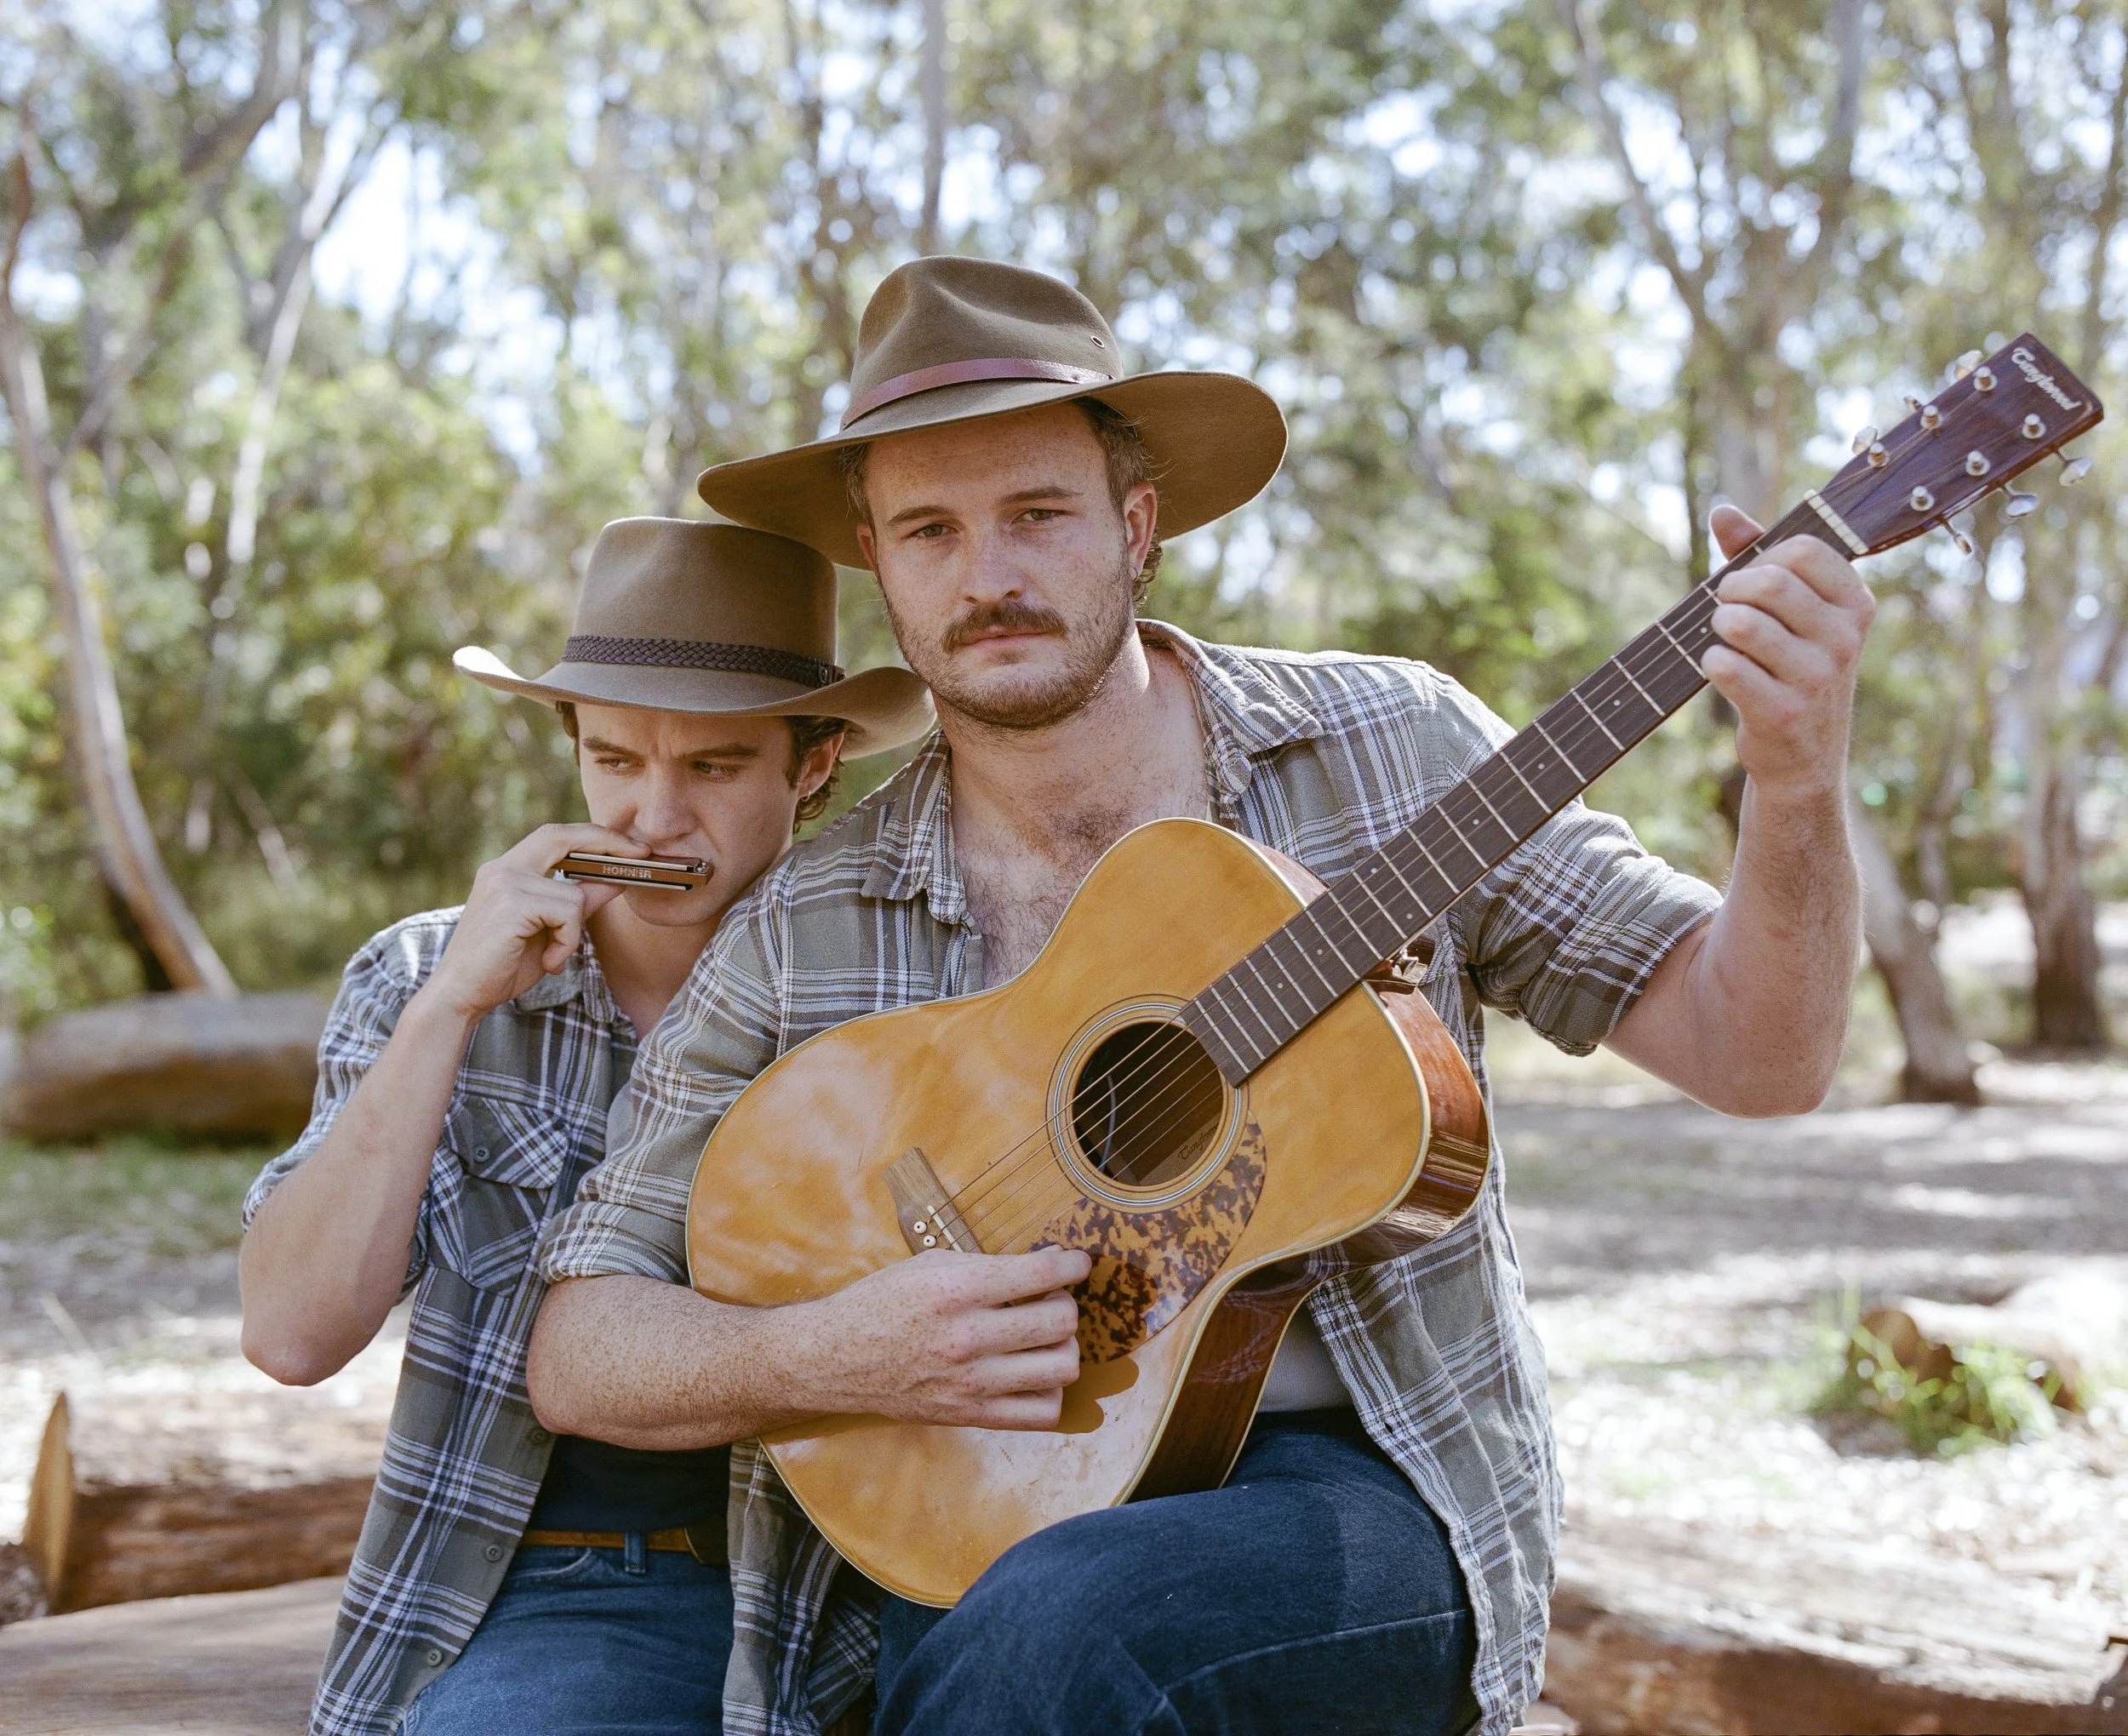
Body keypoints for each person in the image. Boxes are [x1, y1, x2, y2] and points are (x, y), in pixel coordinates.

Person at [527, 258, 1874, 1736]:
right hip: (975, 1509)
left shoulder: (1389, 754)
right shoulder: (813, 916)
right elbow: (582, 1345)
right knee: (1023, 1621)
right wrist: (840, 1354)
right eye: (931, 530)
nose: (987, 578)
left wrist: (1798, 781)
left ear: (1137, 523)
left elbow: (1764, 1057)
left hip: (1357, 1489)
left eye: (1036, 513)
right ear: (878, 562)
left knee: (1068, 1629)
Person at [237, 518, 932, 1736]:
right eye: (615, 760)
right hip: (576, 1581)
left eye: (713, 769)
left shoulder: (902, 975)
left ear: (811, 763)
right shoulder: (420, 977)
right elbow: (291, 1334)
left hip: (873, 1573)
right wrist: (453, 1007)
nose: (652, 820)